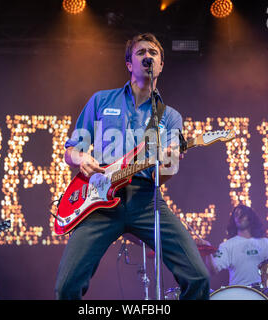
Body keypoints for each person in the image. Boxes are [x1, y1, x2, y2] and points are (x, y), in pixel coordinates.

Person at [54, 33, 210, 300]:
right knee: (66, 287)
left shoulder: (169, 117)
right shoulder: (101, 101)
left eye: (153, 53)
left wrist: (170, 162)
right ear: (129, 64)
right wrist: (82, 158)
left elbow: (162, 176)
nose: (148, 56)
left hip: (146, 201)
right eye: (141, 53)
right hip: (98, 199)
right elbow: (71, 152)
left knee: (199, 277)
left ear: (161, 65)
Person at [199, 204, 268, 287]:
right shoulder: (227, 245)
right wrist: (207, 251)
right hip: (238, 293)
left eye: (242, 214)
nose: (239, 217)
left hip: (261, 293)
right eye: (236, 215)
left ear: (250, 218)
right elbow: (213, 270)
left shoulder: (265, 242)